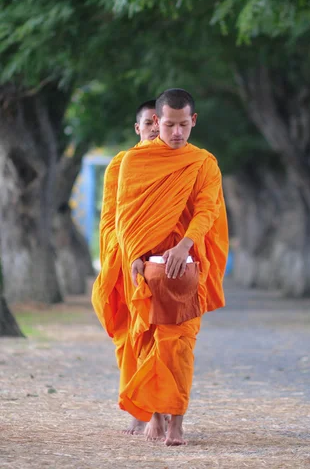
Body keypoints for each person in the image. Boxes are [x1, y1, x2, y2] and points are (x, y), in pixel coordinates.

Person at [114, 88, 228, 446]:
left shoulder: (203, 162)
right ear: (155, 122)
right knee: (148, 341)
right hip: (146, 266)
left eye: (183, 125)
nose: (176, 132)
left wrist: (185, 245)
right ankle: (155, 416)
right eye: (168, 125)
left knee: (178, 345)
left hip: (187, 264)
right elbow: (124, 215)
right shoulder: (135, 162)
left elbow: (207, 209)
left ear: (193, 121)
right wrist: (132, 254)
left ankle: (176, 421)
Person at [92, 99, 159, 436]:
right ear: (138, 128)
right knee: (129, 337)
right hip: (125, 263)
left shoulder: (182, 166)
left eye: (160, 122)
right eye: (149, 122)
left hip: (164, 262)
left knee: (161, 337)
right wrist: (124, 252)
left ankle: (160, 410)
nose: (155, 128)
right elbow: (110, 219)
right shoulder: (121, 165)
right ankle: (138, 407)